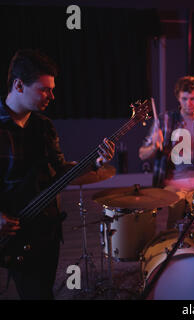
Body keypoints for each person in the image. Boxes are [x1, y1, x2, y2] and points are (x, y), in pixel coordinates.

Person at [0, 49, 115, 299]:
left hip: (47, 229)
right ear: (19, 85)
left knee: (43, 291)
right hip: (11, 231)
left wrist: (95, 162)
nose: (51, 96)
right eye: (44, 89)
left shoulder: (44, 126)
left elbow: (60, 170)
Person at [139, 76, 194, 229]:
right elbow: (142, 154)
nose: (188, 104)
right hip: (174, 182)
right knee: (175, 219)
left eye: (193, 99)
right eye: (184, 99)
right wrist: (154, 146)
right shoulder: (165, 120)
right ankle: (174, 247)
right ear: (178, 98)